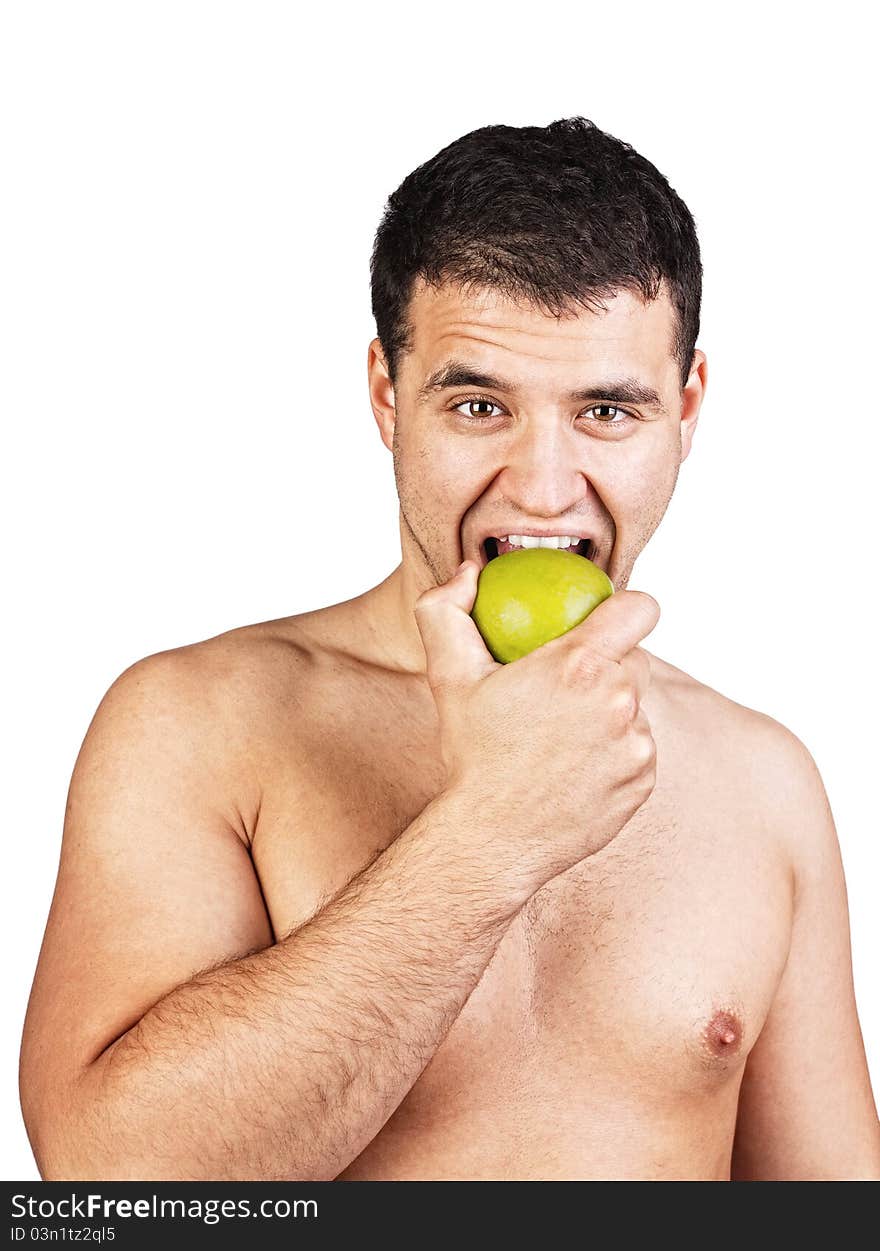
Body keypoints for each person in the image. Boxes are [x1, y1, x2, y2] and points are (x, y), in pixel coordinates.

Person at [20, 117, 880, 1181]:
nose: (543, 487)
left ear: (686, 408)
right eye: (479, 405)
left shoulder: (764, 780)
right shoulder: (199, 723)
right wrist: (490, 833)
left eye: (607, 410)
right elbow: (110, 1190)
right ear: (387, 394)